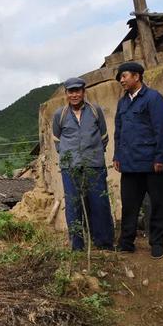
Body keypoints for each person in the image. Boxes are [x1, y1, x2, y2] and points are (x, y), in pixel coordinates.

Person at [113, 62, 163, 259]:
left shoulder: (153, 98)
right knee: (130, 205)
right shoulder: (122, 103)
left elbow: (162, 129)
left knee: (157, 204)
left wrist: (160, 158)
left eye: (124, 76)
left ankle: (157, 243)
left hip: (151, 163)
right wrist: (117, 156)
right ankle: (126, 243)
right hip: (129, 164)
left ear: (137, 76)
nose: (122, 80)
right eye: (120, 77)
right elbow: (118, 132)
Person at [52, 77, 114, 251]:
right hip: (70, 169)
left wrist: (92, 154)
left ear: (83, 92)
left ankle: (104, 243)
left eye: (78, 91)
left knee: (99, 204)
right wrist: (69, 156)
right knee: (73, 206)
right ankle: (77, 246)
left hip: (94, 166)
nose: (75, 94)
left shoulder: (95, 111)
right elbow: (57, 139)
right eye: (71, 91)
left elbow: (104, 137)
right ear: (66, 94)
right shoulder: (60, 115)